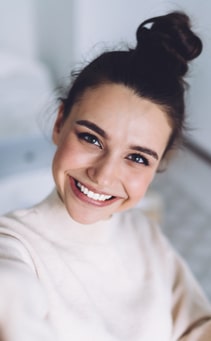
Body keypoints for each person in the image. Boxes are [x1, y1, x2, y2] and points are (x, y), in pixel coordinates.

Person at [0, 10, 210, 341]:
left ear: (158, 167)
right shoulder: (13, 250)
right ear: (59, 124)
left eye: (138, 158)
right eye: (91, 138)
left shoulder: (143, 232)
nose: (103, 175)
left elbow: (197, 325)